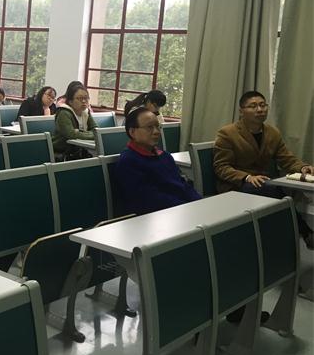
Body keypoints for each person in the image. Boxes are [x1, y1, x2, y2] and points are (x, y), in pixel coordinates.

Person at [214, 90, 313, 246]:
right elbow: (221, 167)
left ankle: (290, 236)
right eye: (253, 106)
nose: (259, 109)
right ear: (241, 111)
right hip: (236, 185)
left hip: (263, 182)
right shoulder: (227, 133)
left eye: (262, 105)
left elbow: (286, 158)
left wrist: (302, 167)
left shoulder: (273, 132)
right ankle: (305, 231)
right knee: (274, 191)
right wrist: (247, 177)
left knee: (275, 189)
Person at [114, 106, 200, 215]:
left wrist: (199, 203)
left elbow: (183, 185)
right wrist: (186, 208)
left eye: (157, 127)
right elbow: (149, 200)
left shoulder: (165, 156)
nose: (156, 132)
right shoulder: (128, 161)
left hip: (180, 211)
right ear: (132, 132)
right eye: (149, 127)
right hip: (155, 217)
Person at [52, 82, 98, 160]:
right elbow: (71, 135)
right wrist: (92, 134)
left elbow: (96, 130)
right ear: (70, 101)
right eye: (79, 98)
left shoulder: (86, 112)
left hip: (79, 151)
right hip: (62, 152)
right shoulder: (64, 113)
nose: (84, 101)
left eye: (86, 98)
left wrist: (79, 132)